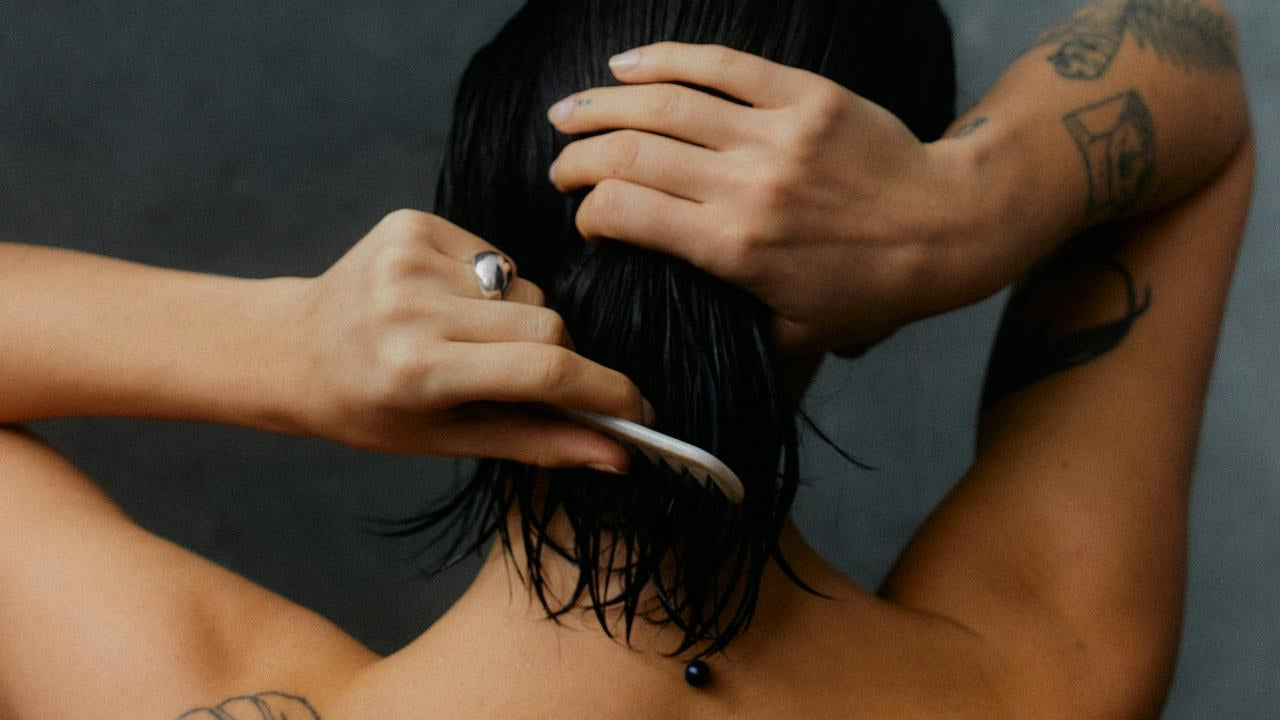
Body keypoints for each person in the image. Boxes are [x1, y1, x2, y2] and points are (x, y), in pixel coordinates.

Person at [0, 0, 1252, 718]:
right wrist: (966, 202)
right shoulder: (1041, 673)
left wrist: (283, 350)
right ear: (875, 296)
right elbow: (1195, 62)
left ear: (463, 230)